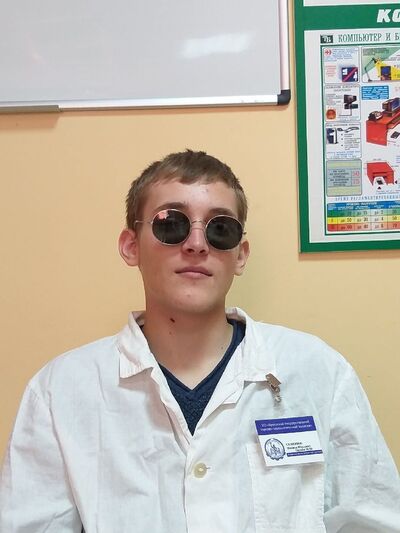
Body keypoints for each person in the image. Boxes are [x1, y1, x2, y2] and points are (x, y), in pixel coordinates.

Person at [0, 150, 399, 532]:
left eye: (220, 228)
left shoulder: (318, 372)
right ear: (131, 246)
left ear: (240, 255)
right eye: (170, 223)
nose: (196, 244)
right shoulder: (61, 391)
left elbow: (372, 520)